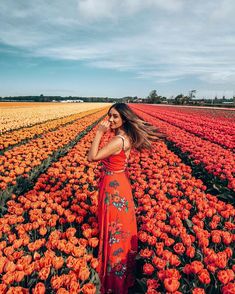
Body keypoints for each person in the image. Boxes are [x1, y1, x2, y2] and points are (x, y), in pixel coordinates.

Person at [87, 103, 164, 294]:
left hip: (114, 190)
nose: (110, 120)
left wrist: (98, 133)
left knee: (114, 232)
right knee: (118, 230)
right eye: (109, 116)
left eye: (115, 117)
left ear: (124, 119)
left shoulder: (118, 140)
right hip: (119, 185)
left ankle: (114, 283)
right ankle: (120, 278)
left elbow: (92, 157)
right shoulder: (125, 137)